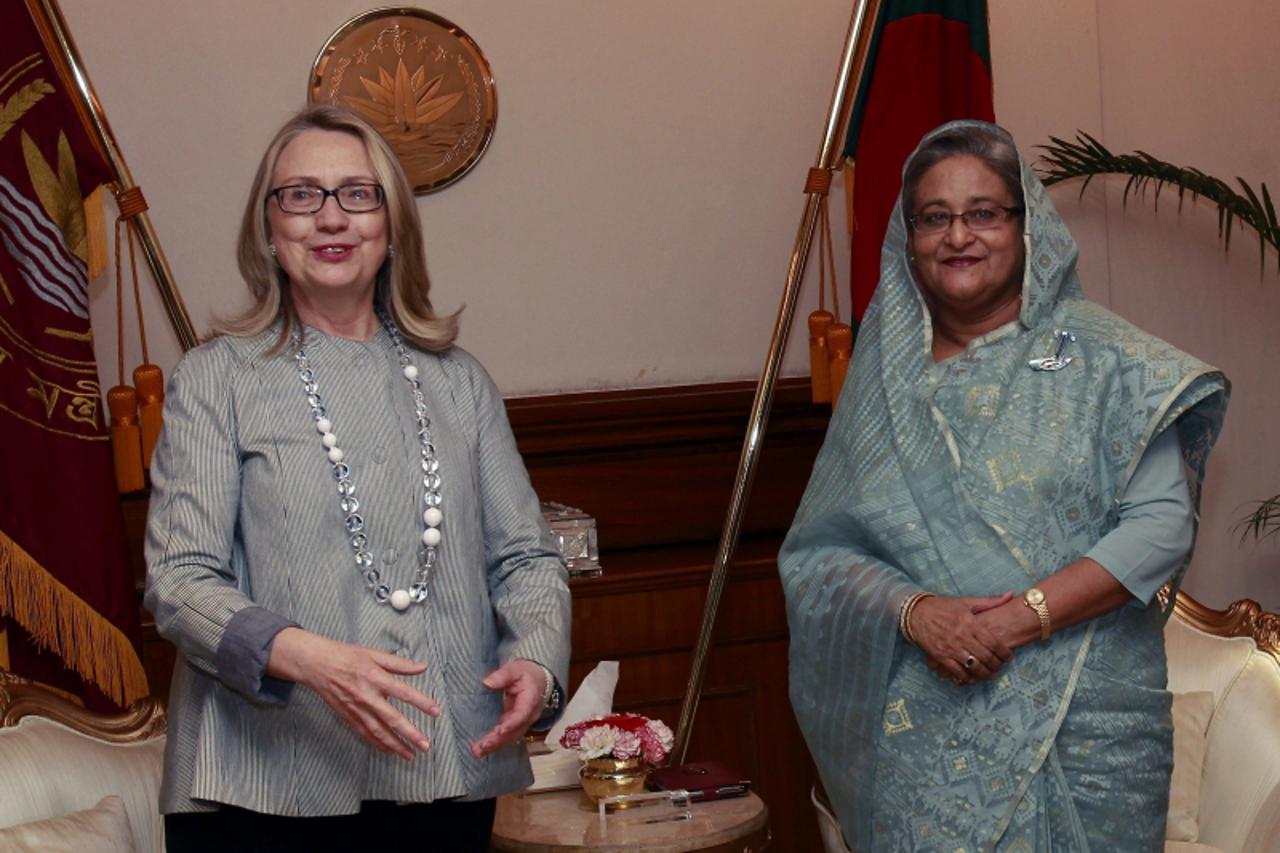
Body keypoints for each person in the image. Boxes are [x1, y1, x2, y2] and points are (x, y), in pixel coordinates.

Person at [780, 120, 1228, 850]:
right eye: (935, 217)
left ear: (1027, 227)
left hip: (1090, 730)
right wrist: (917, 610)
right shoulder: (882, 390)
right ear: (911, 237)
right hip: (926, 736)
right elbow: (822, 554)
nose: (958, 235)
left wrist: (1017, 619)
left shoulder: (1114, 362)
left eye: (984, 212)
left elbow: (1159, 529)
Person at [144, 105, 571, 851]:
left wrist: (536, 658)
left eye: (358, 194)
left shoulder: (461, 383)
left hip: (445, 769)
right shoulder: (216, 378)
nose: (331, 217)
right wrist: (307, 656)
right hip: (261, 785)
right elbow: (179, 580)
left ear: (392, 225)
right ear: (270, 231)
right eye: (302, 195)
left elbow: (527, 559)